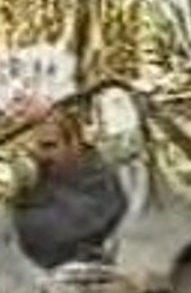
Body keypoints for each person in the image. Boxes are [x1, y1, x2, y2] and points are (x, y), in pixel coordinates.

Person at [8, 95, 128, 268]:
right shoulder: (37, 181)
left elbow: (55, 234)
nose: (38, 157)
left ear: (75, 144)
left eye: (48, 146)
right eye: (26, 150)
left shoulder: (100, 184)